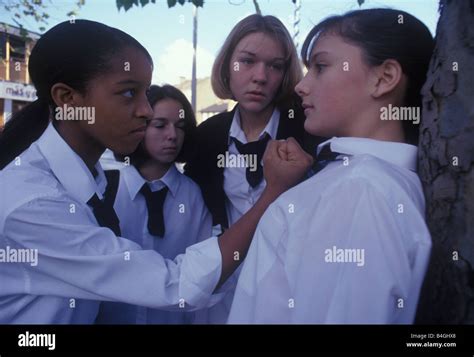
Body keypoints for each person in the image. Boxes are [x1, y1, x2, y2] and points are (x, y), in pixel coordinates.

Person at [0, 19, 313, 324]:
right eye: (127, 93)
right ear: (67, 99)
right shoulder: (33, 202)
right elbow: (174, 285)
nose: (147, 111)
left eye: (145, 93)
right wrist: (272, 193)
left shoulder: (86, 181)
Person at [228, 8, 434, 324]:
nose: (300, 85)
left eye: (321, 67)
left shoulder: (362, 189)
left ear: (383, 78)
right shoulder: (362, 180)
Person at [185, 14, 323, 324]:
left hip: (294, 289)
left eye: (275, 66)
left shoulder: (310, 128)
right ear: (226, 66)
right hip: (224, 291)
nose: (260, 76)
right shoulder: (207, 136)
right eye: (247, 61)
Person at [95, 84, 212, 324]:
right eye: (159, 125)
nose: (172, 135)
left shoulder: (193, 196)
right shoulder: (105, 188)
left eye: (180, 127)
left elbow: (201, 271)